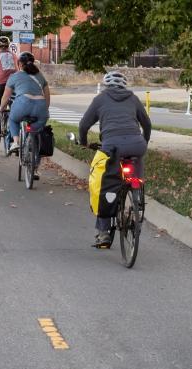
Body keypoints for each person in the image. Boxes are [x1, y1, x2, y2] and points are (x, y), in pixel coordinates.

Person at [78, 71, 152, 248]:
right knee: (135, 171)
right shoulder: (133, 98)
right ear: (124, 86)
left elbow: (84, 124)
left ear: (106, 85)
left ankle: (103, 232)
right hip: (136, 144)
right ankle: (136, 204)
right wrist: (144, 142)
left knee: (105, 184)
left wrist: (83, 142)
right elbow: (147, 124)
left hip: (112, 147)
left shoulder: (100, 99)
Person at [0, 51, 51, 174]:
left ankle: (16, 142)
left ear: (19, 64)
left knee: (13, 119)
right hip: (41, 106)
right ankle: (35, 168)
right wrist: (45, 109)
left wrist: (1, 108)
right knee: (36, 133)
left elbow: (6, 97)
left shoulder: (14, 76)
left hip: (23, 104)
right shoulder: (40, 76)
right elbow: (47, 96)